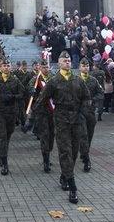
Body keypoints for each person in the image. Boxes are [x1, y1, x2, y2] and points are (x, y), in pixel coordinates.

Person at [35, 51, 91, 204]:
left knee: (73, 152)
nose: (67, 62)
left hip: (76, 120)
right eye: (64, 61)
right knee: (65, 151)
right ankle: (72, 187)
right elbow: (42, 99)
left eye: (68, 60)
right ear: (58, 63)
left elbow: (87, 98)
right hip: (61, 120)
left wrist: (82, 113)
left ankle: (64, 174)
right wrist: (32, 119)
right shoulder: (53, 82)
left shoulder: (78, 81)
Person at [27, 59, 55, 173]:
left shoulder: (54, 78)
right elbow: (29, 86)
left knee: (52, 136)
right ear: (40, 68)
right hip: (42, 112)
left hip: (53, 111)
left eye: (47, 67)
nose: (46, 69)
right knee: (45, 135)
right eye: (43, 67)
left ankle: (48, 152)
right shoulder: (36, 79)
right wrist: (31, 89)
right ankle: (46, 159)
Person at [78, 58, 104, 172]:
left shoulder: (93, 80)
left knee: (90, 133)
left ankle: (85, 150)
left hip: (91, 111)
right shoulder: (76, 80)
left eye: (87, 66)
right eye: (83, 66)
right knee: (83, 134)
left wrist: (93, 100)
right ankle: (86, 158)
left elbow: (100, 92)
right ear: (79, 67)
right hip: (80, 112)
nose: (85, 68)